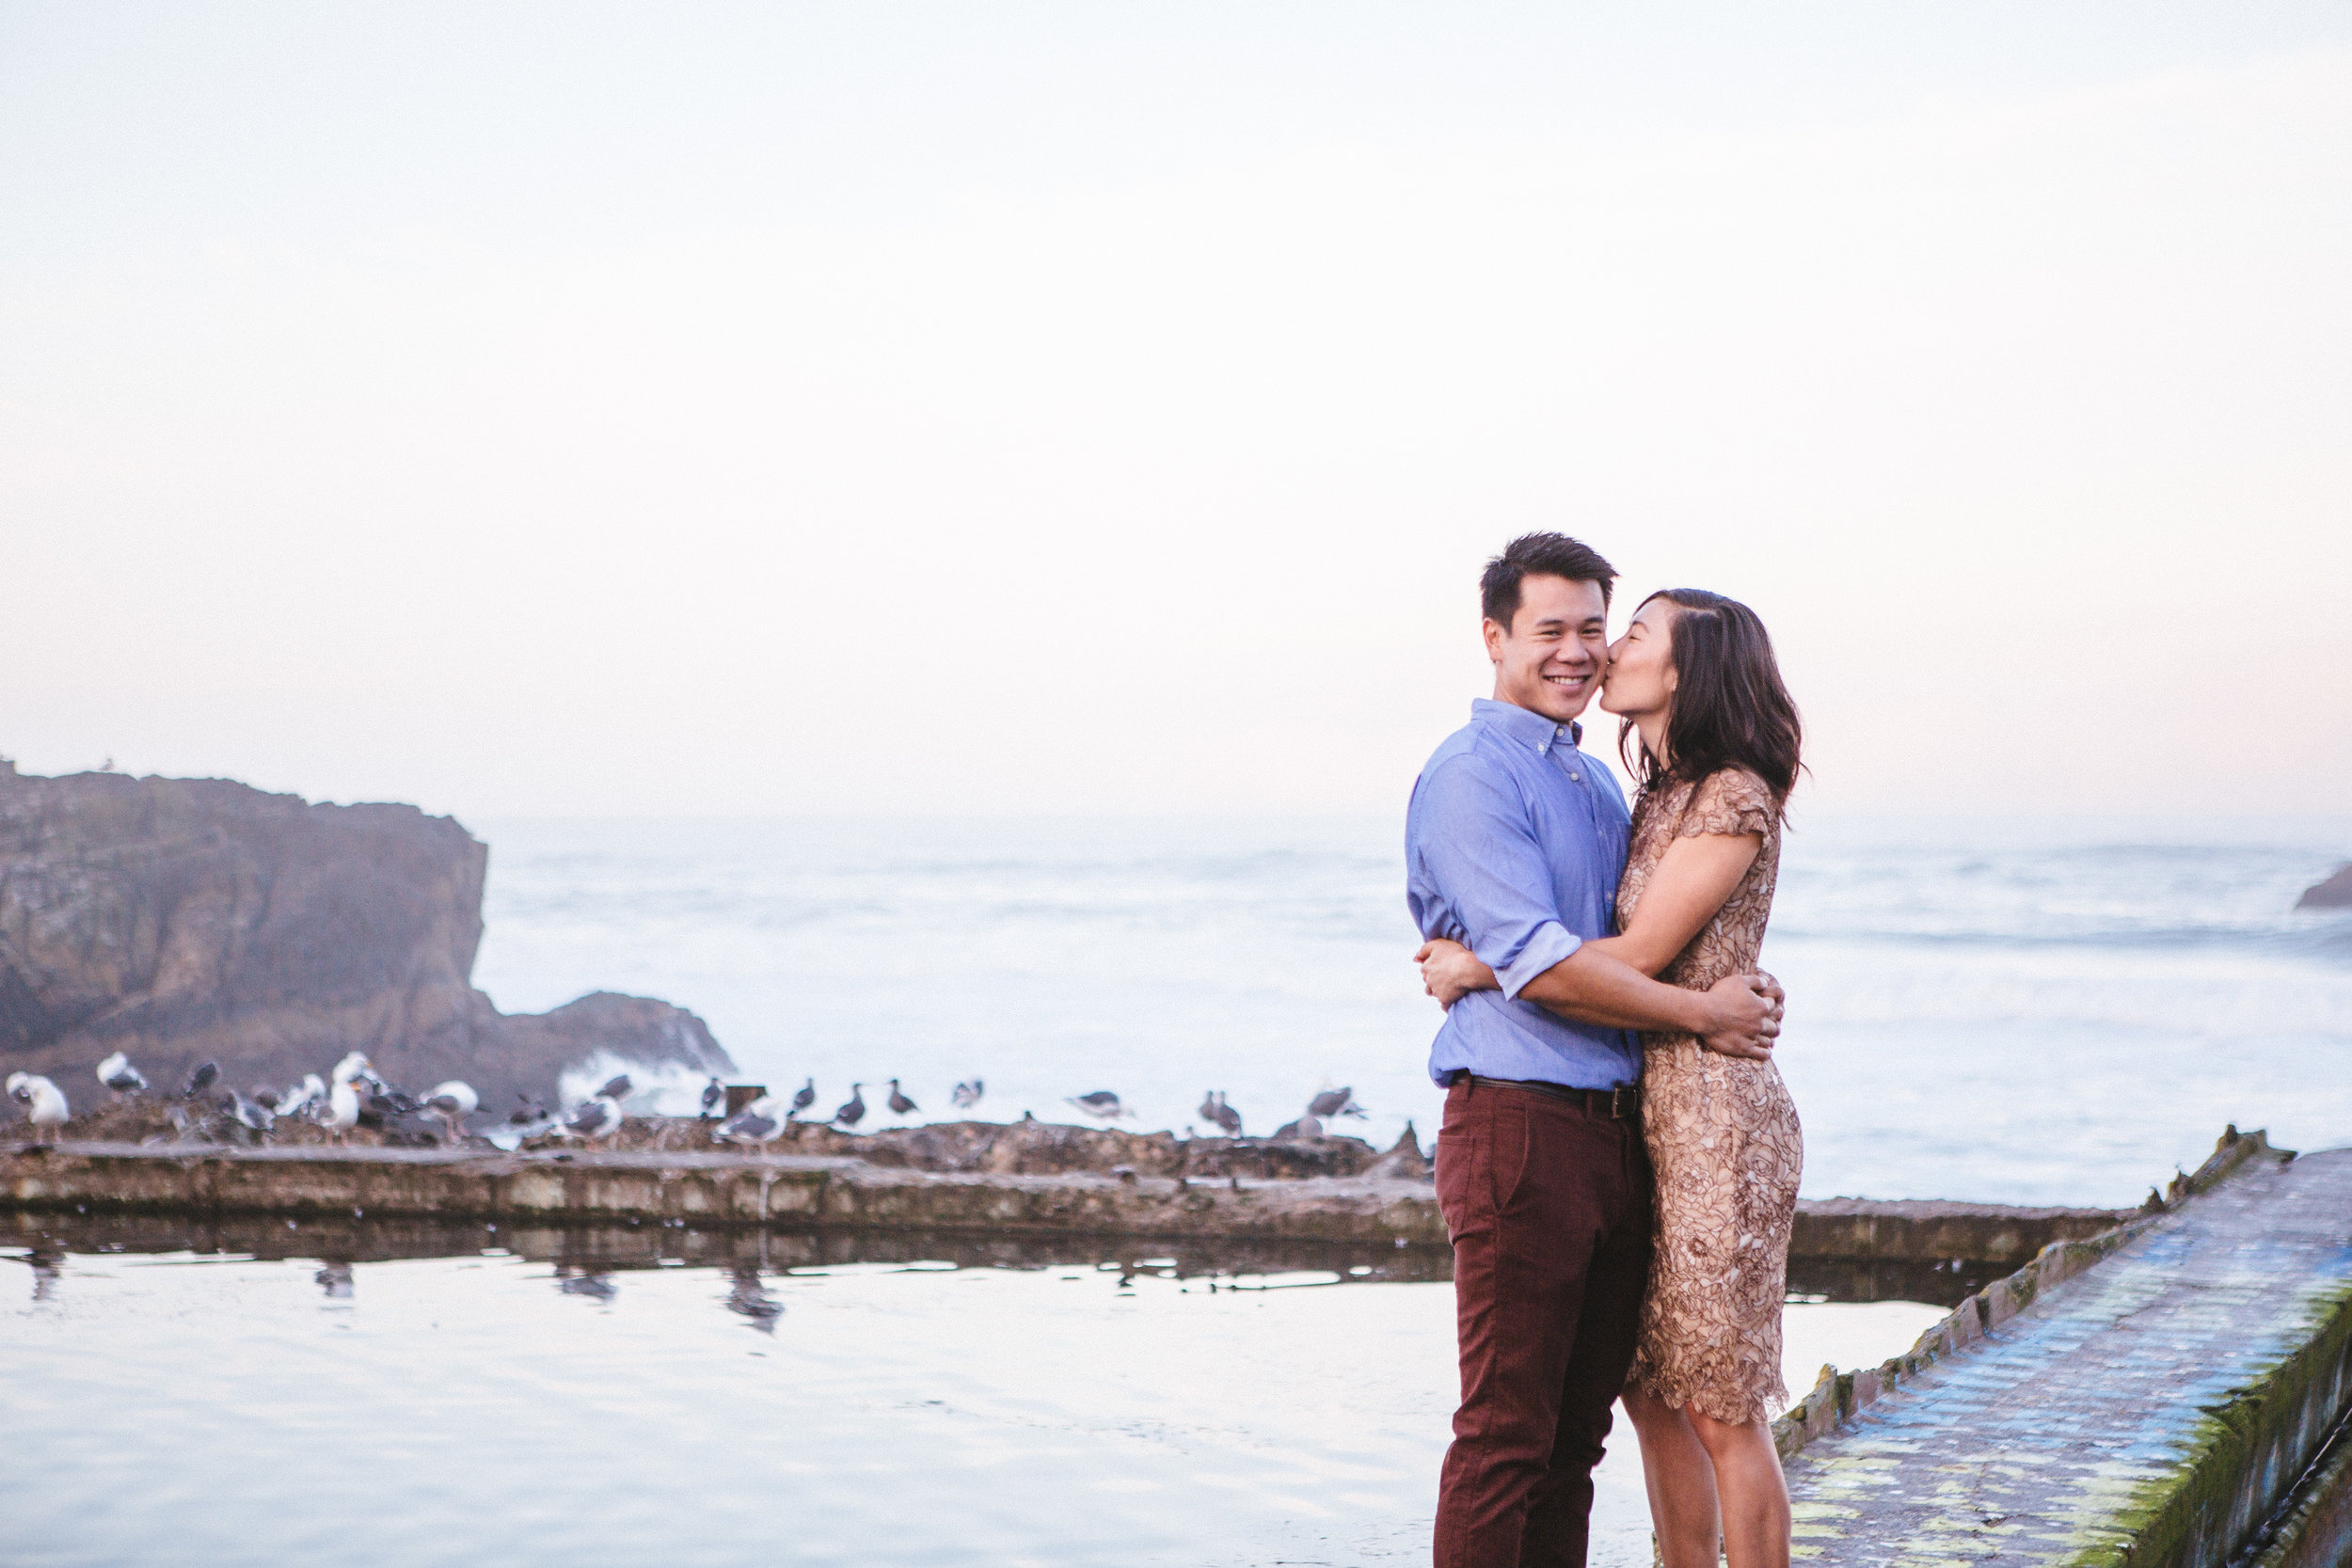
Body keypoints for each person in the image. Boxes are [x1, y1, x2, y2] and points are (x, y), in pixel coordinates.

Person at [1406, 533, 1785, 1568]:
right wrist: (1704, 1012)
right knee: (1505, 1434)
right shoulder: (1472, 775)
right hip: (1518, 1122)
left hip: (1623, 1132)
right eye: (1551, 630)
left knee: (1576, 1439)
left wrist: (1483, 964)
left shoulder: (1599, 787)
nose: (1580, 651)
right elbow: (1549, 961)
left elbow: (1622, 945)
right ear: (1494, 637)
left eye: (1596, 628)